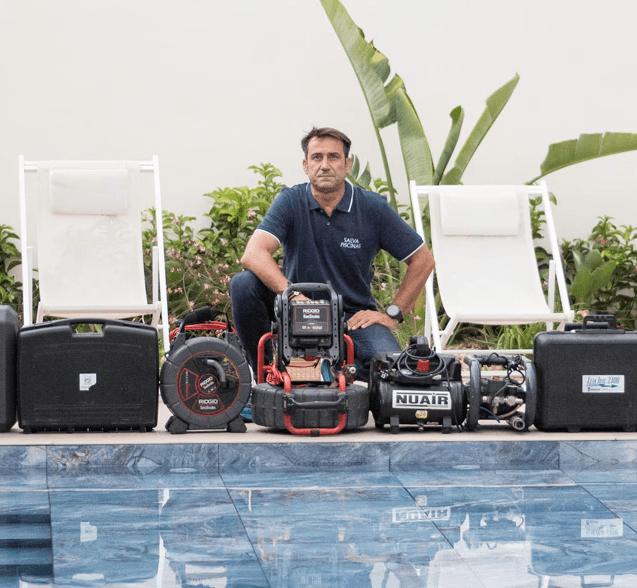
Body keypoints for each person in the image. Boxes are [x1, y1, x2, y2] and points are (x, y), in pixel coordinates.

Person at [229, 126, 435, 379]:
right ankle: (261, 379)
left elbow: (423, 260)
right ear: (306, 165)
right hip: (296, 310)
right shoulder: (291, 201)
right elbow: (253, 253)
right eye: (317, 157)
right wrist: (294, 297)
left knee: (389, 369)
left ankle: (327, 373)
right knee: (243, 284)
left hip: (351, 315)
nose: (324, 165)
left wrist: (393, 314)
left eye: (333, 157)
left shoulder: (373, 208)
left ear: (347, 165)